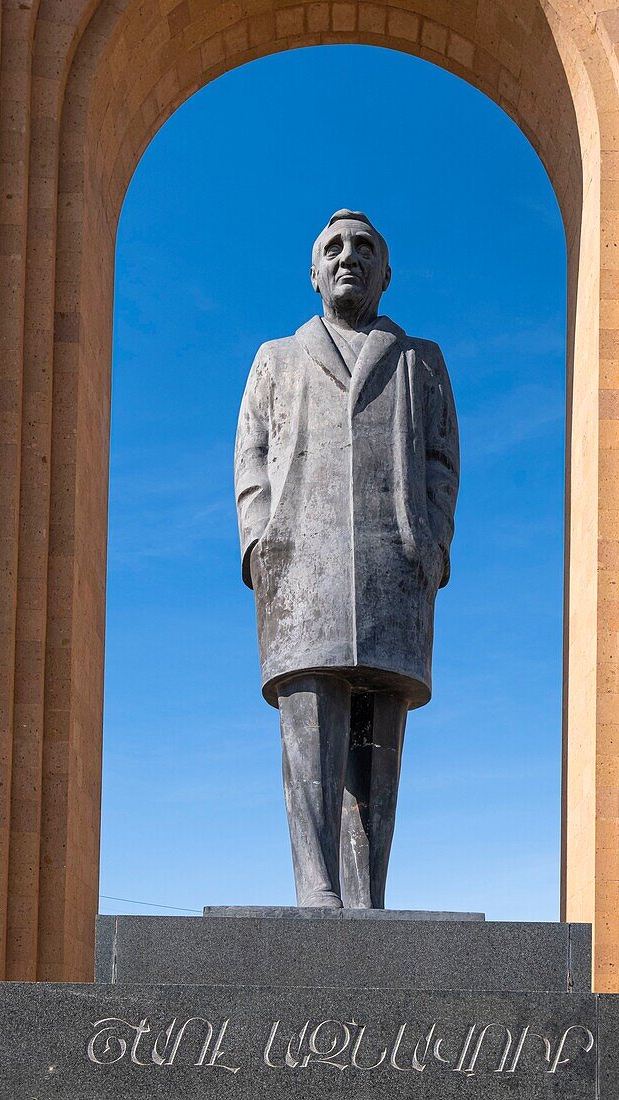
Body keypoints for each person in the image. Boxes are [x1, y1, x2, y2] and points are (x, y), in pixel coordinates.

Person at [235, 210, 459, 908]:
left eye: (364, 248)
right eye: (332, 248)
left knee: (378, 737)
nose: (347, 257)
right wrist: (259, 541)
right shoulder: (277, 357)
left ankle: (367, 894)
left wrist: (432, 540)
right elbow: (251, 458)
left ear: (385, 274)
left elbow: (441, 461)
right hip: (300, 561)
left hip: (394, 561)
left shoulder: (419, 358)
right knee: (310, 721)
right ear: (312, 273)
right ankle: (317, 885)